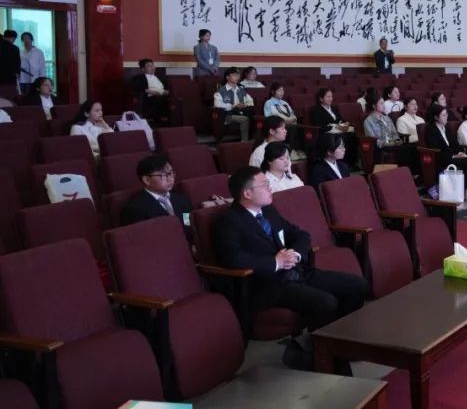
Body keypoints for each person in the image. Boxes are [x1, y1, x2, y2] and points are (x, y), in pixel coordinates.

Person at [213, 167, 370, 368]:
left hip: (296, 271)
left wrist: (295, 253)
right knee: (326, 302)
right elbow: (232, 258)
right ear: (247, 193)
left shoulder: (268, 211)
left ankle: (332, 345)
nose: (270, 189)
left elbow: (300, 235)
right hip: (267, 284)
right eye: (265, 185)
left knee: (357, 285)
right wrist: (275, 263)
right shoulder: (229, 221)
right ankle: (326, 357)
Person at [426, 105, 467, 202]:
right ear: (436, 117)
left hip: (452, 156)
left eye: (446, 115)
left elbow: (455, 145)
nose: (446, 117)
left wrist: (459, 152)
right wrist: (453, 156)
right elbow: (436, 149)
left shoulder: (446, 128)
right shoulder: (431, 130)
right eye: (443, 115)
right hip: (442, 158)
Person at [120, 155, 195, 226]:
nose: (170, 179)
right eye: (163, 175)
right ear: (147, 180)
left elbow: (187, 224)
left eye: (171, 173)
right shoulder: (135, 210)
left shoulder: (182, 199)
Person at [308, 88, 358, 165]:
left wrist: (346, 123)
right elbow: (319, 125)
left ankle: (352, 163)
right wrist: (335, 126)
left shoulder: (334, 108)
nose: (330, 99)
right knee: (343, 137)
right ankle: (342, 163)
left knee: (352, 135)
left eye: (331, 96)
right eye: (328, 97)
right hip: (326, 133)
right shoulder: (316, 110)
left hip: (338, 130)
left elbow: (340, 119)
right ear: (321, 99)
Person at [213, 67, 256, 142]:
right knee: (245, 119)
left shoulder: (241, 89)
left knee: (253, 117)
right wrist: (233, 106)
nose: (237, 77)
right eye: (234, 75)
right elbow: (217, 105)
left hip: (242, 112)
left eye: (238, 75)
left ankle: (254, 141)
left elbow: (250, 101)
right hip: (227, 115)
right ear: (227, 77)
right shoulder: (221, 91)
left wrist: (244, 104)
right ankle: (244, 142)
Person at [130, 58, 170, 124]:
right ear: (143, 69)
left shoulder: (160, 77)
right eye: (149, 66)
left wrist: (167, 91)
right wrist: (152, 92)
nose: (152, 67)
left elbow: (167, 88)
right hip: (150, 98)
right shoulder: (139, 78)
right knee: (159, 100)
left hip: (163, 96)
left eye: (153, 65)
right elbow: (137, 88)